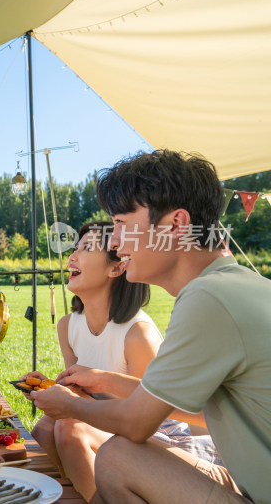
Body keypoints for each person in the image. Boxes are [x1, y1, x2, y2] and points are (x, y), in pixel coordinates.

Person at [32, 150, 271, 503]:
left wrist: (67, 405)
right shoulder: (237, 285)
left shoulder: (209, 297)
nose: (114, 242)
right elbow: (203, 413)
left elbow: (136, 423)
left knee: (119, 457)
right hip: (247, 482)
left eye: (121, 225)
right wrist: (106, 380)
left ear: (175, 225)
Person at [24, 221, 219, 501]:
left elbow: (153, 415)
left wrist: (76, 404)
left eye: (87, 248)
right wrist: (53, 388)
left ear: (116, 268)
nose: (72, 256)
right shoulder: (68, 325)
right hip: (106, 424)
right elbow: (78, 393)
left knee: (69, 427)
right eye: (76, 248)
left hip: (157, 439)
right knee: (45, 427)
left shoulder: (136, 333)